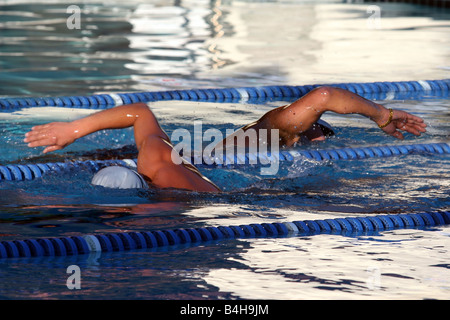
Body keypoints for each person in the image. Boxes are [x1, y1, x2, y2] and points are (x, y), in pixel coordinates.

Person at [24, 86, 427, 192]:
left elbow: (141, 113)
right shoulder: (276, 131)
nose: (319, 137)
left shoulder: (261, 141)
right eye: (319, 129)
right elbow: (324, 97)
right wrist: (385, 116)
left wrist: (69, 131)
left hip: (174, 160)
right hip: (184, 167)